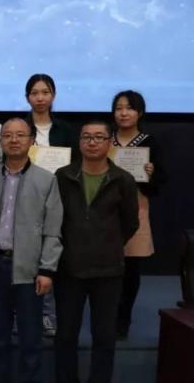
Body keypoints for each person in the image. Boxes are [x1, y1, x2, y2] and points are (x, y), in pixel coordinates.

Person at [0, 118, 63, 383]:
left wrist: (47, 269)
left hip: (30, 269)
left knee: (30, 341)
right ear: (0, 140)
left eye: (20, 135)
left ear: (31, 140)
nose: (13, 140)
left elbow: (53, 229)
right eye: (7, 135)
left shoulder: (47, 179)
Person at [54, 120, 139, 383]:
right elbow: (54, 221)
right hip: (70, 268)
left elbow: (130, 223)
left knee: (104, 336)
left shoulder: (123, 179)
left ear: (109, 142)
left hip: (108, 270)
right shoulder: (62, 176)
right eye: (86, 137)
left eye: (99, 137)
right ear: (79, 142)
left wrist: (107, 243)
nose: (92, 142)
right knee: (66, 335)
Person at [23, 73, 75, 337]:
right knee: (23, 257)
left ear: (53, 95)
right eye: (34, 93)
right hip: (24, 197)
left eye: (45, 92)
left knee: (50, 257)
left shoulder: (65, 130)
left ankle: (47, 315)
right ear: (27, 97)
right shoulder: (19, 127)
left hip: (58, 197)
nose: (40, 97)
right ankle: (20, 315)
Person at [111, 90, 165, 339]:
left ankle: (123, 319)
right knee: (106, 269)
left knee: (131, 269)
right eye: (119, 108)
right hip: (105, 213)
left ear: (139, 113)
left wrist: (150, 174)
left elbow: (158, 184)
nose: (123, 113)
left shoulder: (149, 142)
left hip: (136, 210)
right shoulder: (105, 139)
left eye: (129, 108)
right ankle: (107, 316)